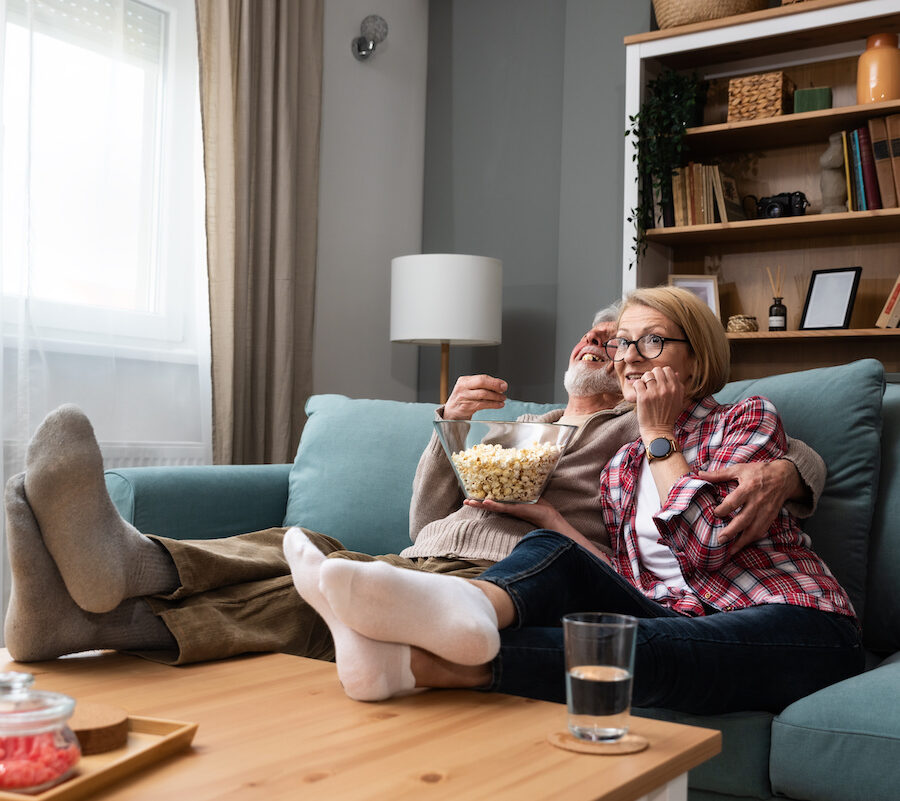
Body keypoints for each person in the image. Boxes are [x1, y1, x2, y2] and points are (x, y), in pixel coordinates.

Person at [4, 303, 821, 672]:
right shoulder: (524, 425)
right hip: (431, 551)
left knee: (312, 588)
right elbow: (432, 517)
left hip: (500, 573)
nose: (608, 348)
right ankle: (102, 588)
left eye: (629, 343)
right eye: (600, 336)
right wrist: (450, 428)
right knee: (314, 555)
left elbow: (764, 450)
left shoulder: (635, 436)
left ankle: (112, 588)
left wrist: (791, 474)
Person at [284, 286, 862, 711]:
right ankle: (450, 622)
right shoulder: (620, 466)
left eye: (653, 342)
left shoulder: (744, 419)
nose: (630, 356)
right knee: (555, 550)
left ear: (698, 358)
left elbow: (705, 545)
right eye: (625, 345)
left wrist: (663, 434)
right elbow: (625, 574)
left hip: (793, 621)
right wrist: (555, 521)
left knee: (638, 648)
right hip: (670, 609)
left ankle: (423, 654)